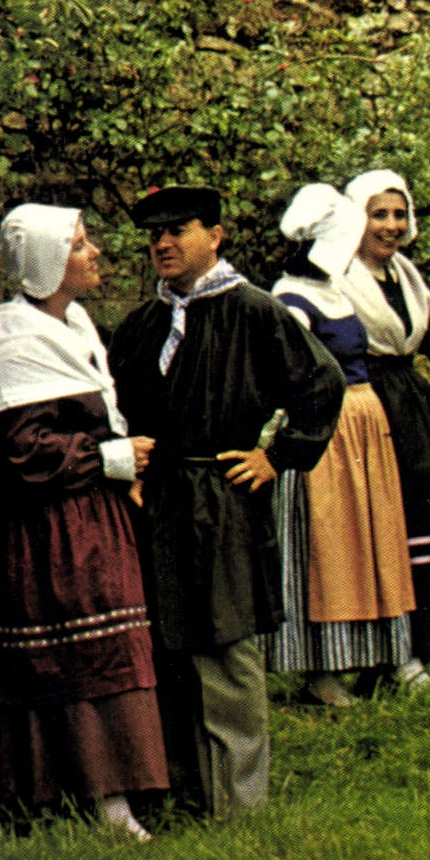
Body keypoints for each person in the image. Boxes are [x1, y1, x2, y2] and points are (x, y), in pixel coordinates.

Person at [109, 185, 345, 816]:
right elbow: (115, 406)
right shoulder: (142, 325)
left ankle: (240, 806)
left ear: (215, 236)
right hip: (157, 503)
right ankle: (186, 793)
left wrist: (276, 455)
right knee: (170, 644)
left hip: (223, 498)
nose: (162, 243)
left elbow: (322, 383)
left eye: (177, 230)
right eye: (154, 233)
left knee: (228, 644)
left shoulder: (254, 312)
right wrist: (126, 462)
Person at [0, 204, 166, 840]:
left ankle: (114, 789)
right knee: (78, 652)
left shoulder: (73, 322)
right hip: (47, 527)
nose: (96, 253)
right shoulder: (20, 340)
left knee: (107, 642)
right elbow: (20, 450)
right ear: (52, 263)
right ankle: (92, 799)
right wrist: (113, 456)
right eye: (81, 246)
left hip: (90, 513)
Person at [265, 184, 416, 705]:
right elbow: (288, 376)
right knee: (326, 546)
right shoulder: (291, 299)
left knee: (368, 541)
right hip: (325, 433)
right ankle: (319, 670)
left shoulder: (331, 291)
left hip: (362, 428)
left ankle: (381, 655)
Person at [339, 170, 430, 679]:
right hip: (367, 404)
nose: (391, 225)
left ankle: (426, 647)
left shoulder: (409, 280)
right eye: (378, 214)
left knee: (424, 523)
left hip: (412, 403)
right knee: (382, 527)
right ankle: (387, 654)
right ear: (356, 218)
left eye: (398, 214)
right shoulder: (339, 278)